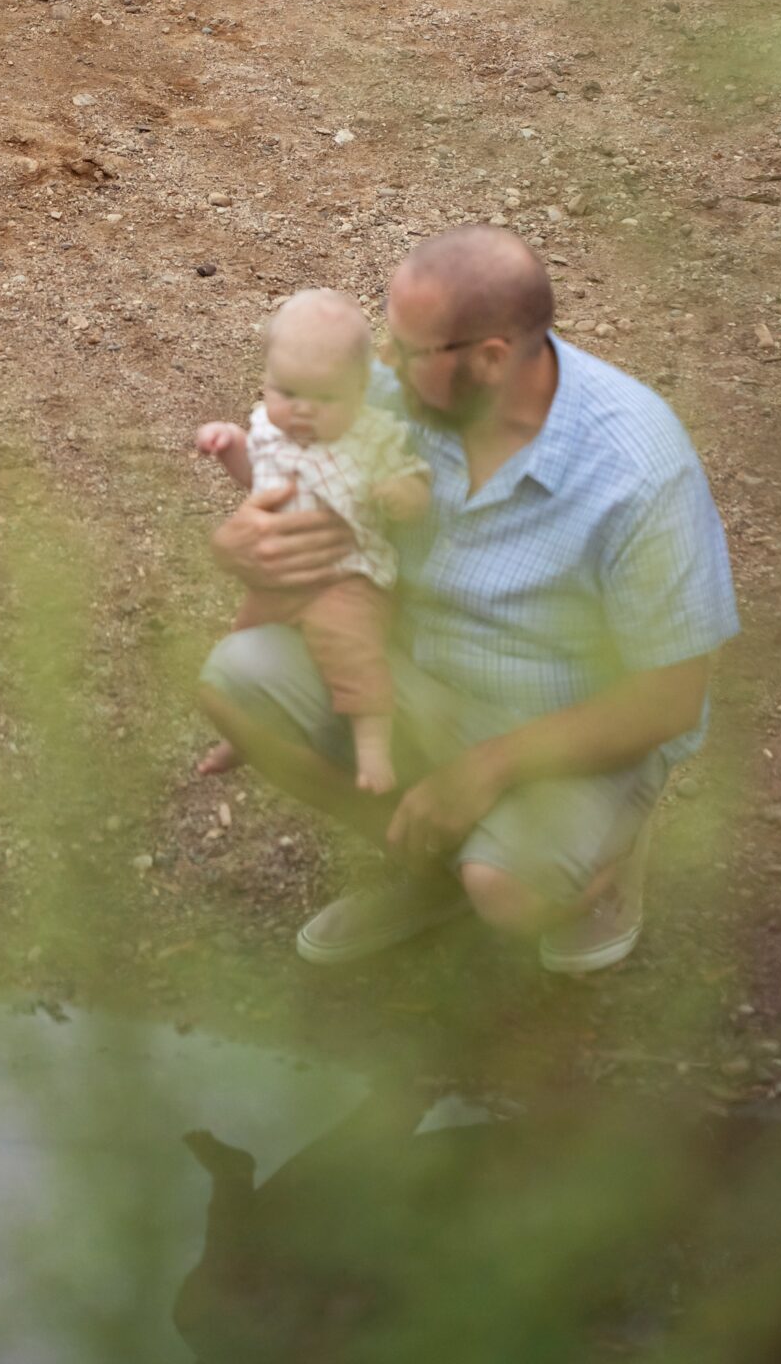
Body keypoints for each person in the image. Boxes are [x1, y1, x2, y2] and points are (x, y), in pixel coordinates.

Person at [197, 227, 739, 974]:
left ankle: (594, 859)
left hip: (573, 736)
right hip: (422, 686)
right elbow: (294, 493)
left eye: (405, 349)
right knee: (236, 681)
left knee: (510, 893)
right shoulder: (396, 403)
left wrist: (487, 766)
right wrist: (237, 544)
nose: (381, 364)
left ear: (488, 359)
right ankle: (436, 867)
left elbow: (670, 701)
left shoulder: (637, 473)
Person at [194, 290, 431, 796]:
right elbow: (255, 478)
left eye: (324, 399)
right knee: (244, 639)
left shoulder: (371, 436)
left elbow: (415, 483)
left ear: (362, 391)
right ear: (266, 380)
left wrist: (398, 496)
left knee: (350, 652)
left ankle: (373, 745)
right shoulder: (269, 431)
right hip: (281, 577)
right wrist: (229, 445)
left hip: (348, 579)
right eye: (287, 392)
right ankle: (248, 735)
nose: (301, 411)